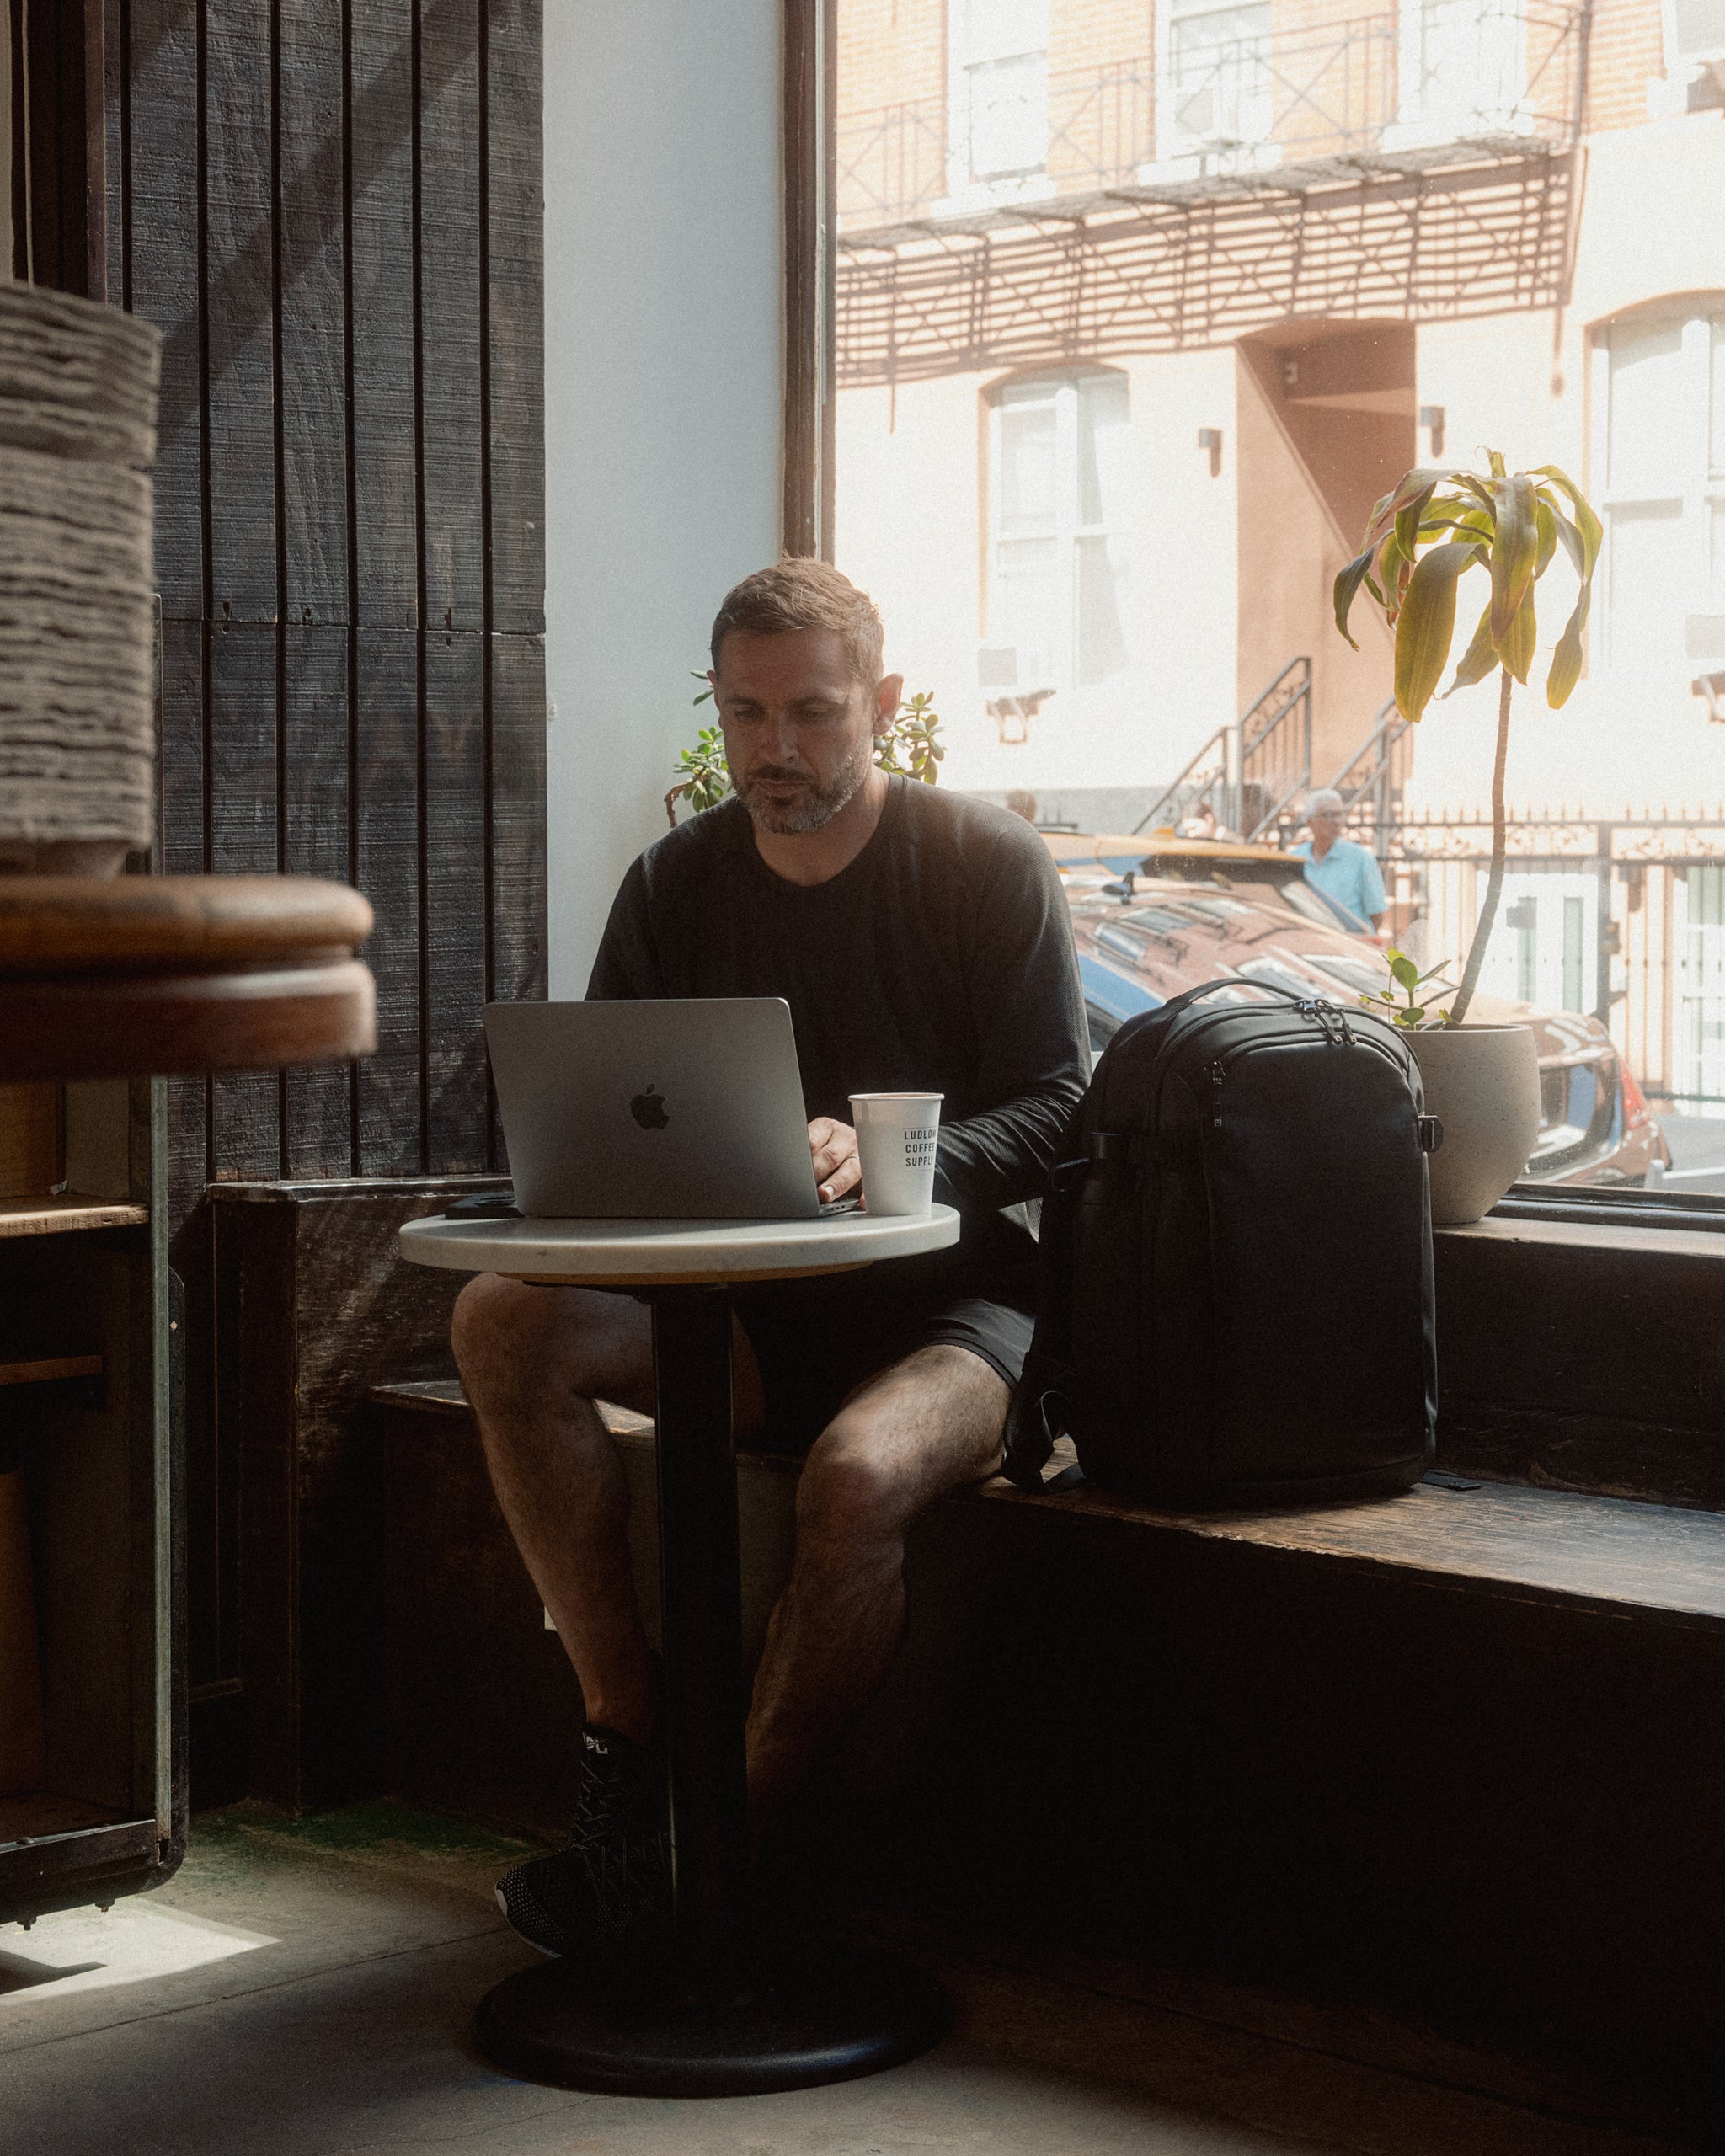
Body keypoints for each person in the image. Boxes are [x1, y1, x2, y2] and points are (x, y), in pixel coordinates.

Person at [451, 559, 1089, 1968]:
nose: (774, 751)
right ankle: (625, 1740)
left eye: (809, 712)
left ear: (887, 704)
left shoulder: (982, 865)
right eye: (744, 715)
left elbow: (1060, 1108)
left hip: (961, 1319)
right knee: (501, 1321)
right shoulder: (676, 884)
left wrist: (890, 1160)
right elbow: (613, 1101)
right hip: (742, 1320)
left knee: (853, 1479)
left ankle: (714, 1856)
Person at [1291, 787, 1386, 931]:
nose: (1336, 821)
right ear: (1310, 821)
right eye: (1328, 815)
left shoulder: (1361, 859)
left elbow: (1376, 915)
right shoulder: (1295, 859)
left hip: (1349, 945)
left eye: (1339, 814)